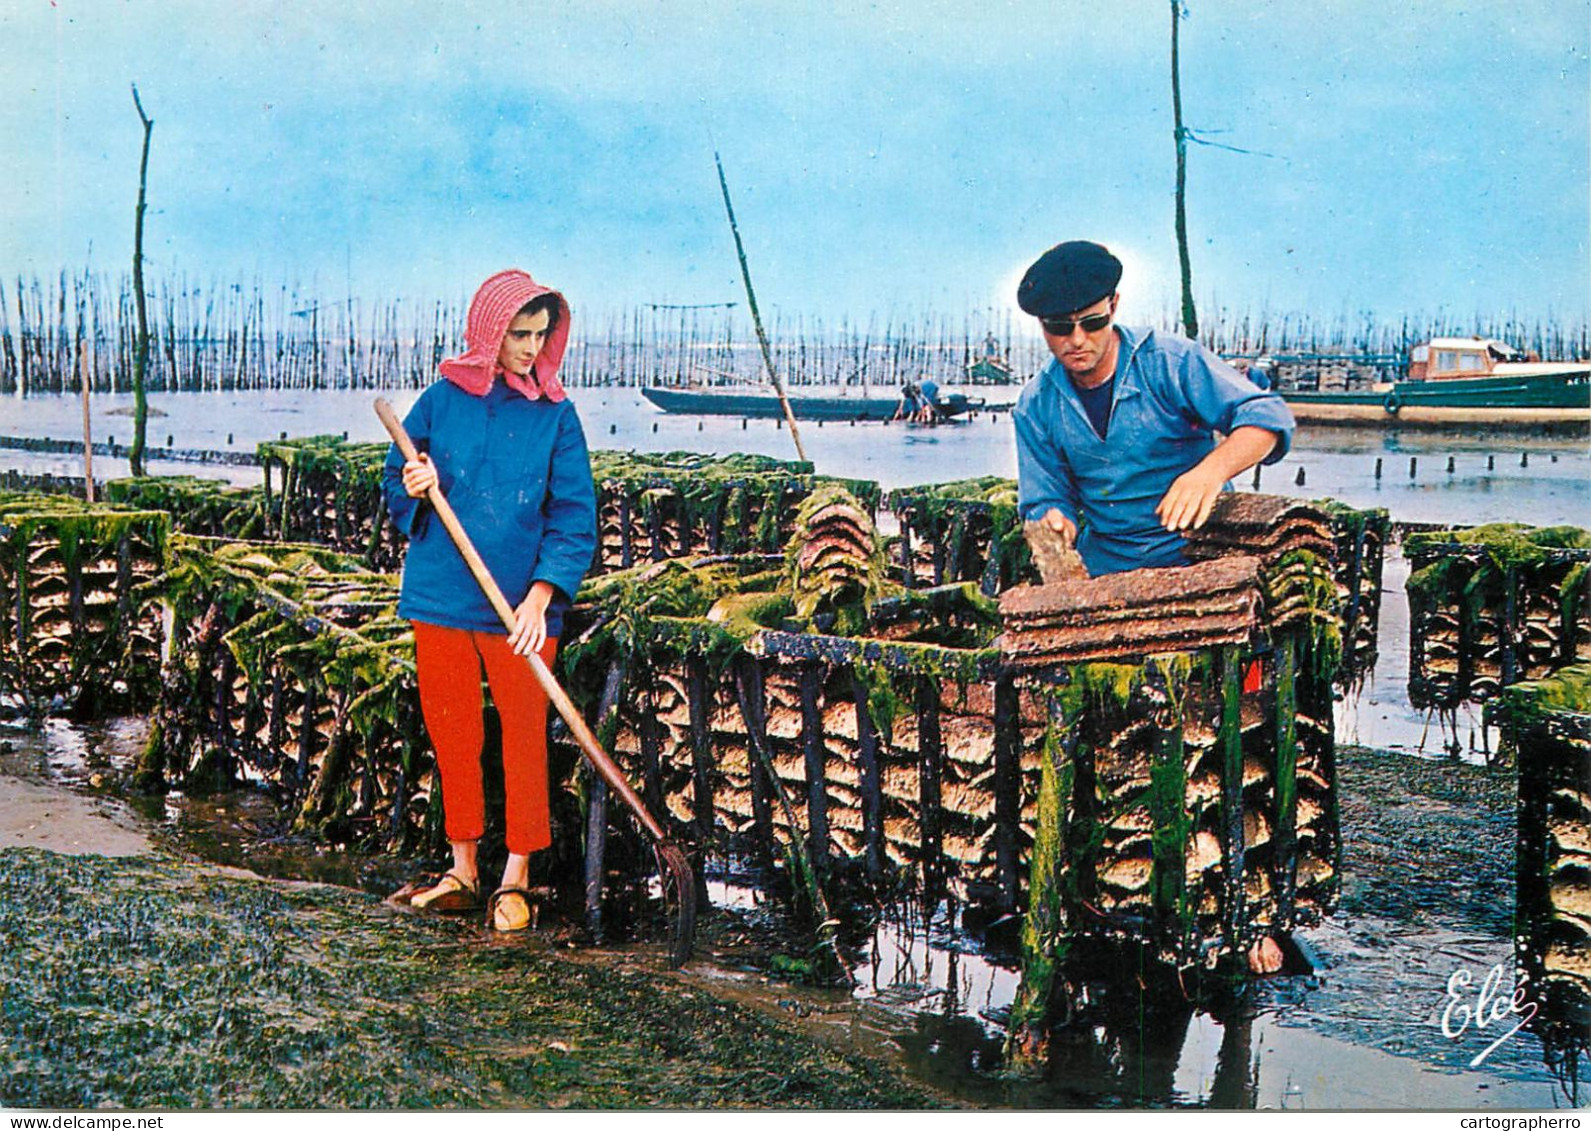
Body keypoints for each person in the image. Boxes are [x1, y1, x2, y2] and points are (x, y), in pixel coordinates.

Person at [382, 269, 598, 932]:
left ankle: (516, 876)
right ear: (487, 332)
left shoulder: (556, 415)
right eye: (517, 334)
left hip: (519, 611)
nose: (530, 348)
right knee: (453, 730)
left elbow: (573, 515)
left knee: (524, 736)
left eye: (539, 334)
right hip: (442, 595)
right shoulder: (441, 401)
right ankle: (463, 867)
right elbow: (397, 472)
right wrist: (414, 480)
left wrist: (541, 597)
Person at [1012, 241, 1294, 577]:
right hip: (1107, 561)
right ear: (1042, 324)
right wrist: (1054, 520)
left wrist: (1211, 472)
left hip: (1199, 549)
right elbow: (1045, 496)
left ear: (1113, 306)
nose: (1076, 340)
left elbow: (1267, 417)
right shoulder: (1035, 405)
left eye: (1091, 322)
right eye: (1059, 327)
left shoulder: (1170, 362)